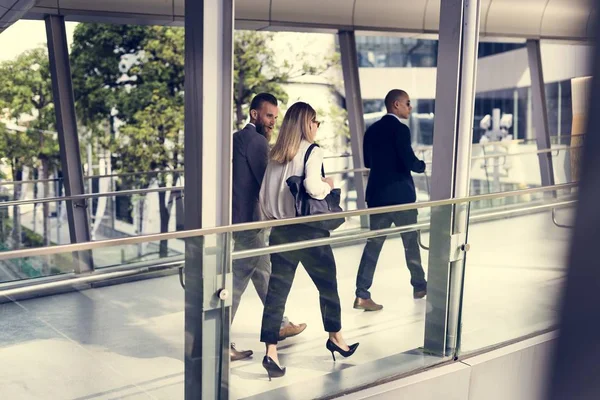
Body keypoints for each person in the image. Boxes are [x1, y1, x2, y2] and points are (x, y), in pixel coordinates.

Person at [258, 101, 359, 380]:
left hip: (280, 231)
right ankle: (336, 337)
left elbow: (264, 199)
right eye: (316, 122)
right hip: (309, 232)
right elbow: (313, 189)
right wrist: (329, 185)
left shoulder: (275, 154)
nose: (317, 127)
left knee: (277, 293)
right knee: (328, 286)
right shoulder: (313, 152)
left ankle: (271, 351)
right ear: (307, 123)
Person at [230, 93, 306, 361]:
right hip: (252, 221)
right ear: (254, 114)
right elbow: (269, 179)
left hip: (241, 218)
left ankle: (281, 323)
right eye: (269, 115)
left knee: (264, 273)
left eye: (275, 116)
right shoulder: (257, 141)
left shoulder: (237, 138)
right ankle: (218, 339)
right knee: (236, 280)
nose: (273, 121)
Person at [353, 89, 428, 312]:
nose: (410, 107)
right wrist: (422, 165)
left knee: (373, 246)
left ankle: (361, 294)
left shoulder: (372, 130)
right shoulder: (400, 130)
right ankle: (419, 286)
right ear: (396, 105)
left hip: (377, 197)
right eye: (407, 103)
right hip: (401, 198)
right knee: (410, 244)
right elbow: (409, 161)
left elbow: (368, 162)